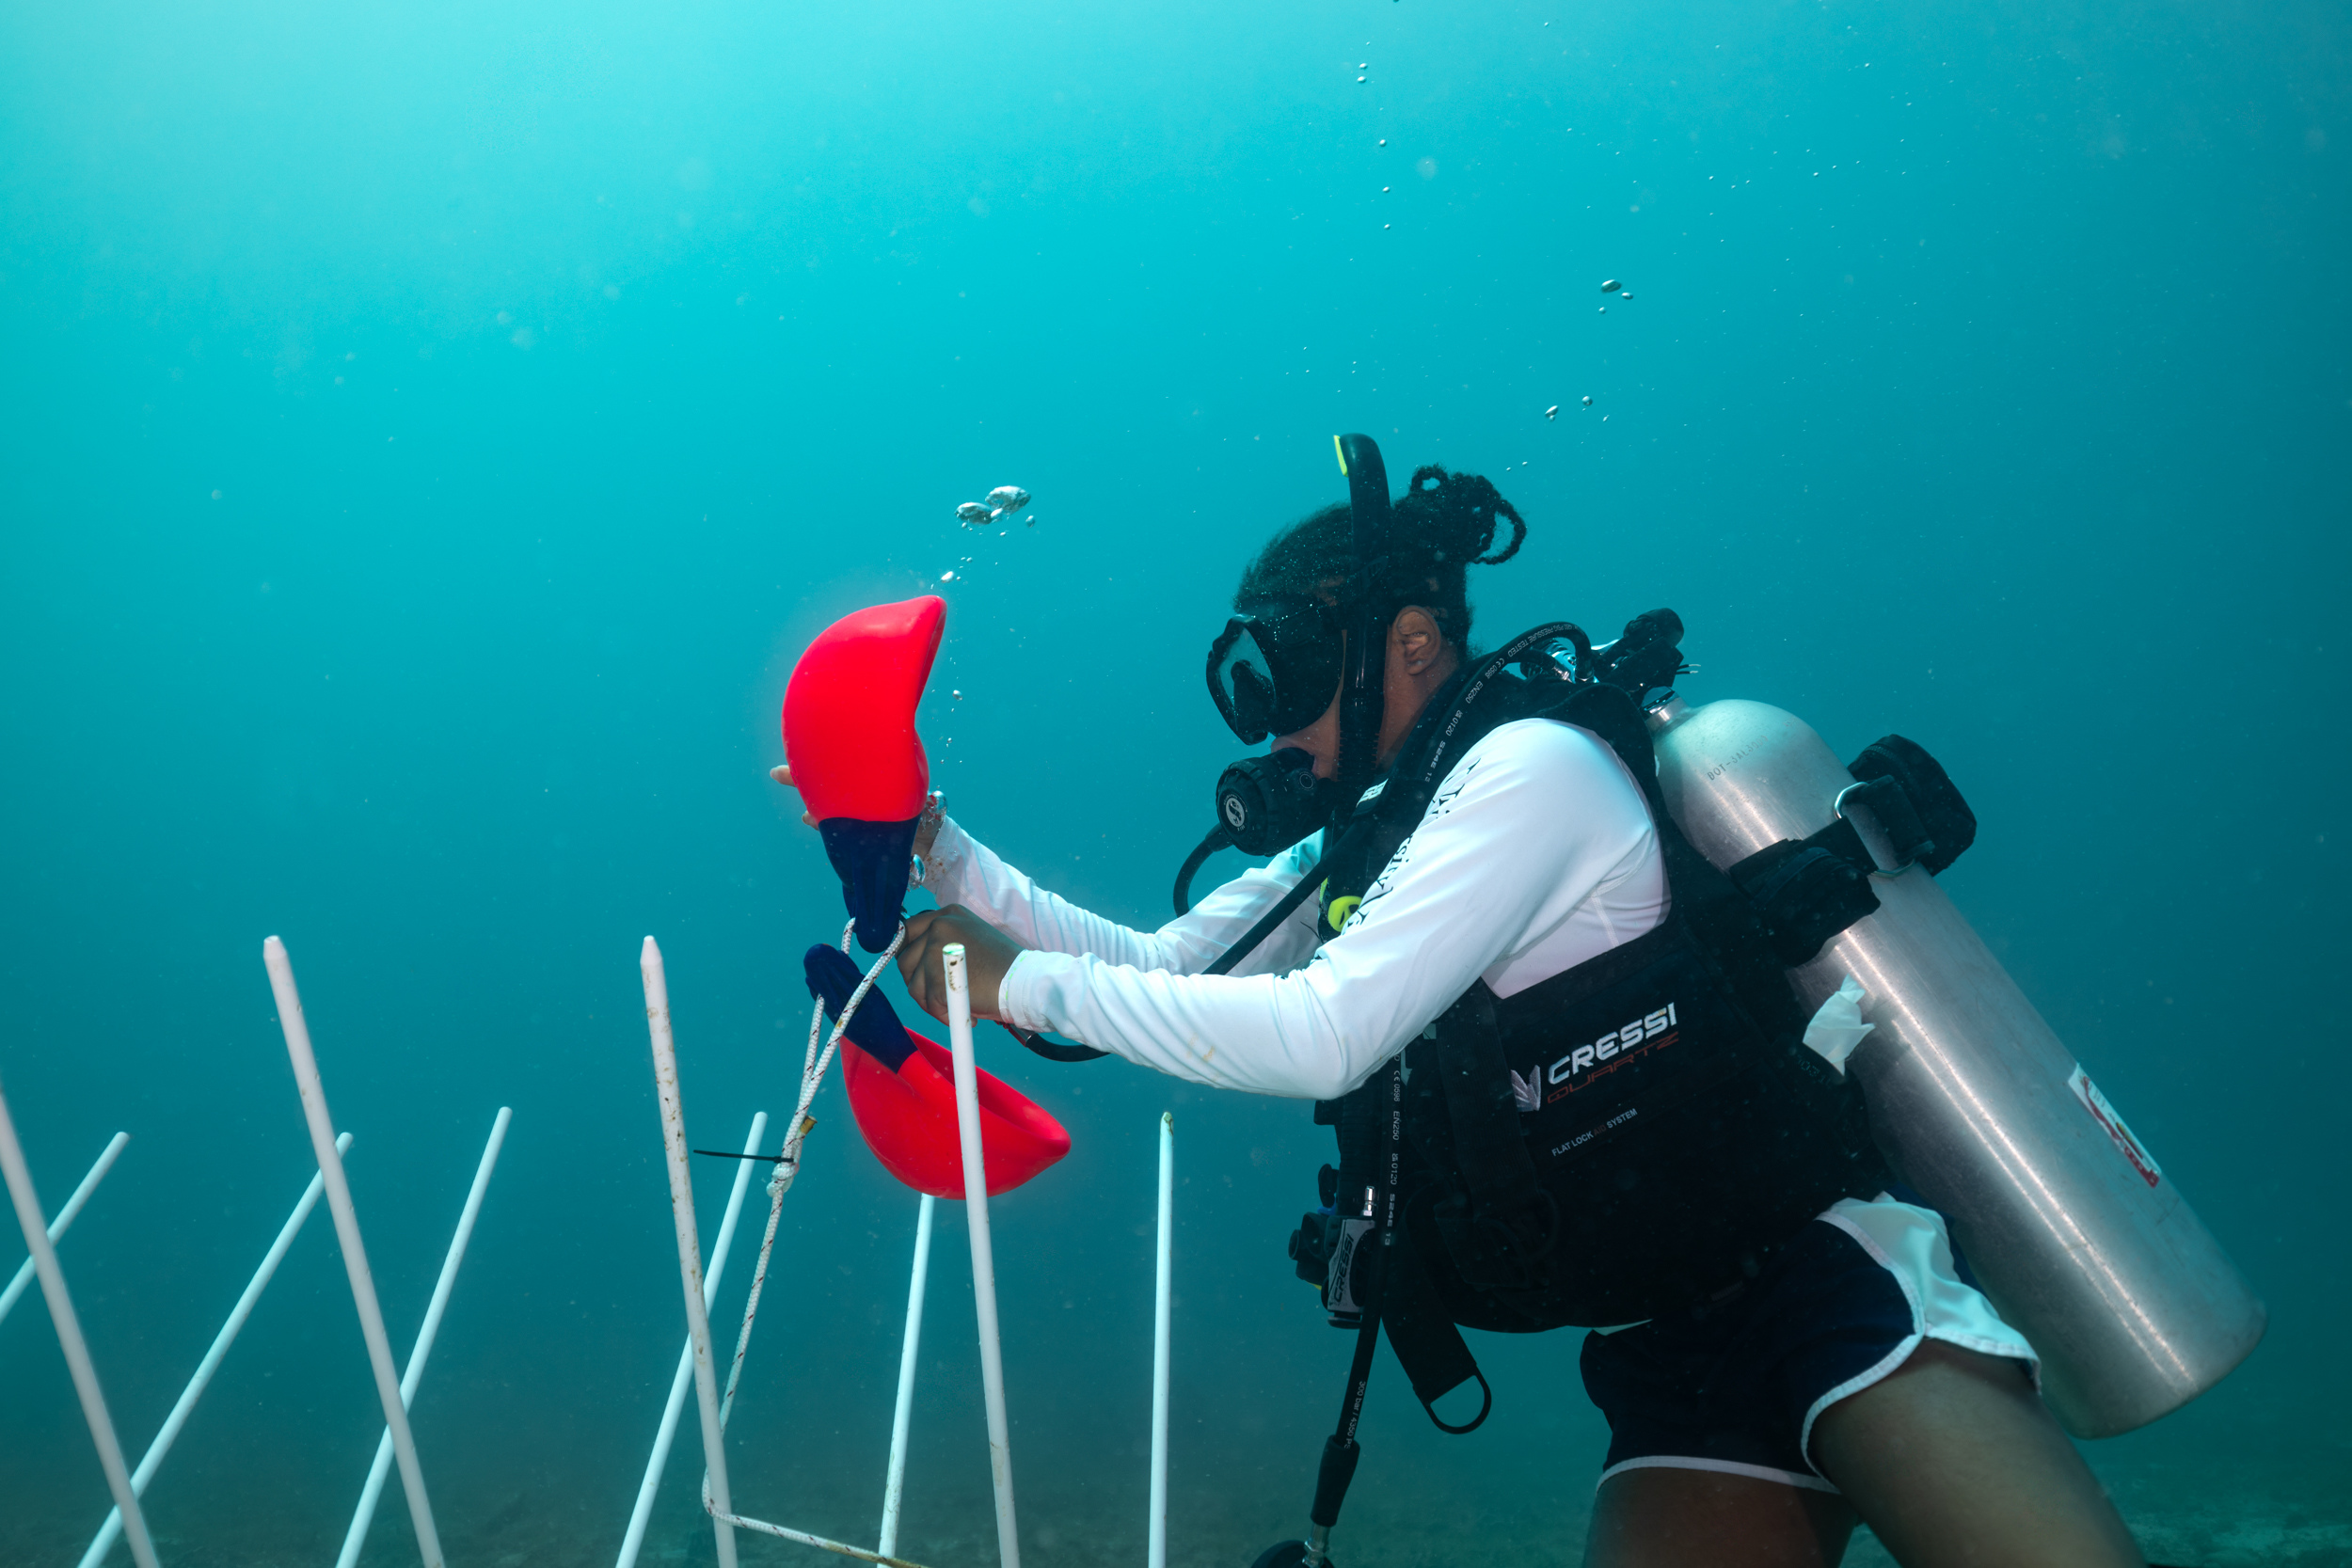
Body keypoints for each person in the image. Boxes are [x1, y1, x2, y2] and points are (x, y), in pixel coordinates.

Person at [772, 463, 2148, 1568]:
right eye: (1250, 679)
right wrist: (944, 854)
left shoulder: (1532, 774)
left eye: (1294, 670)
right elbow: (1163, 966)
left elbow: (1326, 1033)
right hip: (1671, 1349)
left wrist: (1002, 983)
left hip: (1827, 1285)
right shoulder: (1378, 837)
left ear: (1414, 644)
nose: (1270, 721)